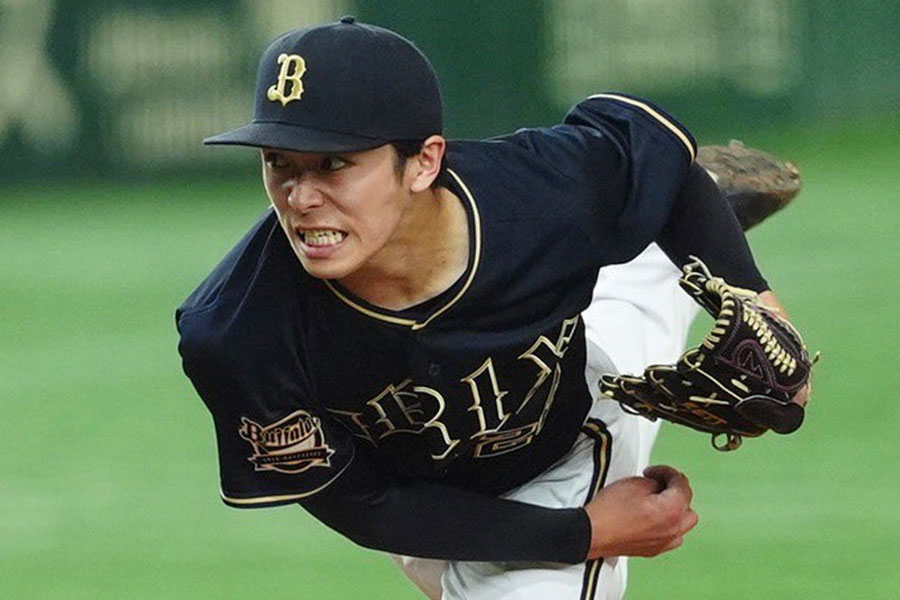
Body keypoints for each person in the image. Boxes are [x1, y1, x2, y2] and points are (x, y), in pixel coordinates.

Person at [176, 17, 808, 600]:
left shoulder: (533, 193)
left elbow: (652, 151)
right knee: (620, 300)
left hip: (563, 442)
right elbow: (365, 506)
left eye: (335, 163)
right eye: (278, 162)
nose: (300, 196)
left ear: (423, 161)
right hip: (418, 497)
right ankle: (650, 260)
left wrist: (764, 308)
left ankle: (676, 237)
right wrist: (588, 533)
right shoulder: (235, 329)